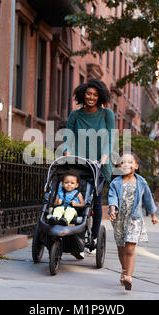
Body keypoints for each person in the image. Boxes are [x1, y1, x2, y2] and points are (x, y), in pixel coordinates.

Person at [63, 78, 115, 252]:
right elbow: (68, 136)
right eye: (88, 93)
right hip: (78, 164)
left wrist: (105, 156)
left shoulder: (107, 115)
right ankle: (73, 231)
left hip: (99, 165)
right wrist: (66, 151)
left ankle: (92, 237)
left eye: (95, 94)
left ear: (99, 97)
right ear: (83, 94)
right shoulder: (75, 115)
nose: (91, 97)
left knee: (95, 201)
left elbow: (110, 138)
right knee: (73, 196)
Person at [108, 152, 159, 291]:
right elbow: (112, 197)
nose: (126, 165)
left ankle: (129, 277)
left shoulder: (141, 182)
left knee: (130, 248)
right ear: (119, 166)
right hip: (119, 220)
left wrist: (153, 214)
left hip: (135, 219)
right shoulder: (115, 182)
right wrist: (112, 209)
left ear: (136, 166)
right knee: (121, 248)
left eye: (130, 162)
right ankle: (124, 270)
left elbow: (148, 198)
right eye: (123, 162)